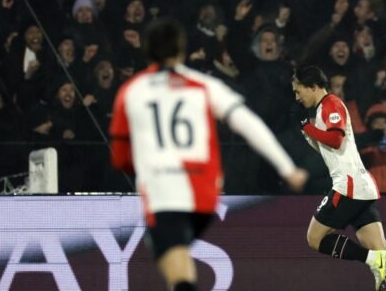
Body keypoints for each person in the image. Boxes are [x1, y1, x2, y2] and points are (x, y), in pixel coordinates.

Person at [110, 18, 308, 291]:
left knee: (169, 252)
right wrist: (287, 168)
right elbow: (248, 123)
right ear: (181, 51)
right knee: (178, 255)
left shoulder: (133, 91)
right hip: (204, 188)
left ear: (148, 51)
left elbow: (121, 157)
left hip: (164, 188)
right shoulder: (203, 84)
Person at [291, 65, 386, 291]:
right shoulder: (324, 109)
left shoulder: (331, 104)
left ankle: (373, 260)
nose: (297, 97)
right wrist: (307, 131)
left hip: (348, 186)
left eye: (298, 90)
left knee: (315, 238)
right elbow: (328, 148)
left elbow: (335, 140)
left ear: (312, 87)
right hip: (361, 185)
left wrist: (308, 128)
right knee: (379, 245)